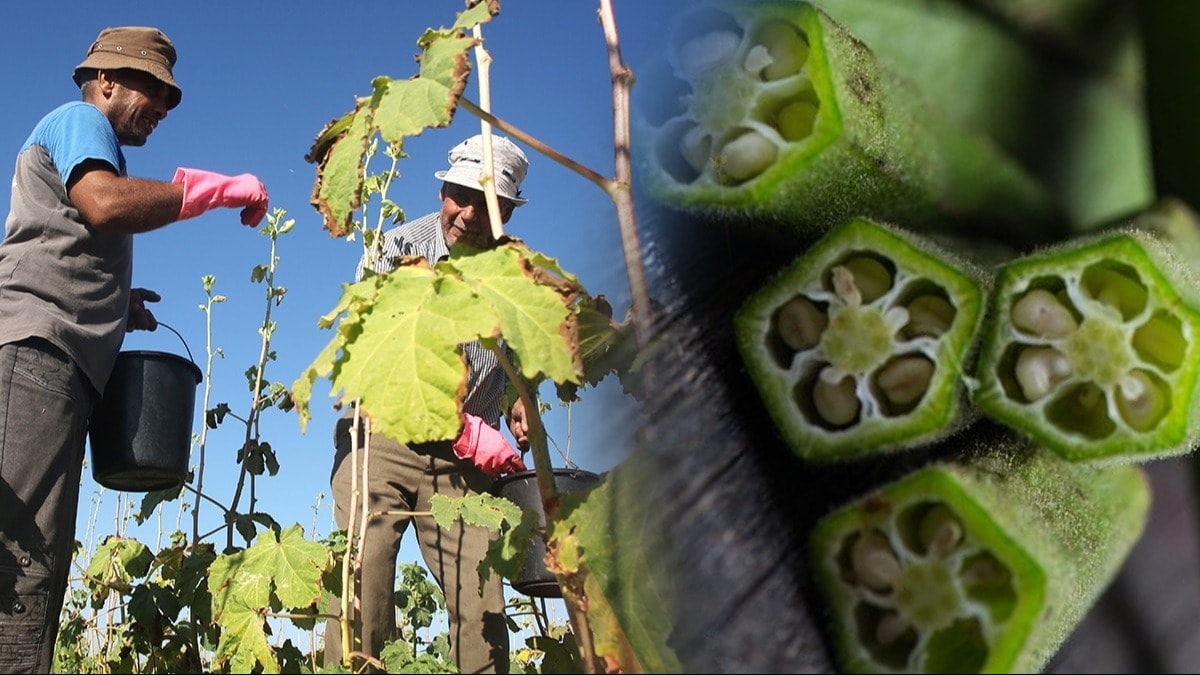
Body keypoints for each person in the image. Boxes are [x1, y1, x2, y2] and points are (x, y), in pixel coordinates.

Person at [0, 26, 269, 673]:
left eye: (172, 97)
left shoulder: (84, 143)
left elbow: (59, 239)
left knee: (38, 560)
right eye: (154, 87)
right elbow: (100, 203)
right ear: (107, 82)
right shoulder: (79, 122)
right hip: (35, 358)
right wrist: (205, 191)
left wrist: (121, 304)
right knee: (18, 559)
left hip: (51, 365)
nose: (164, 107)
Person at [325, 134, 533, 674]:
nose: (466, 213)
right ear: (442, 188)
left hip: (464, 465)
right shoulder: (396, 249)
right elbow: (380, 350)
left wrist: (518, 402)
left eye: (485, 204)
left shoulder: (515, 275)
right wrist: (467, 427)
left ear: (507, 211)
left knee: (480, 596)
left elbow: (520, 358)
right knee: (362, 571)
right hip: (384, 434)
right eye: (457, 195)